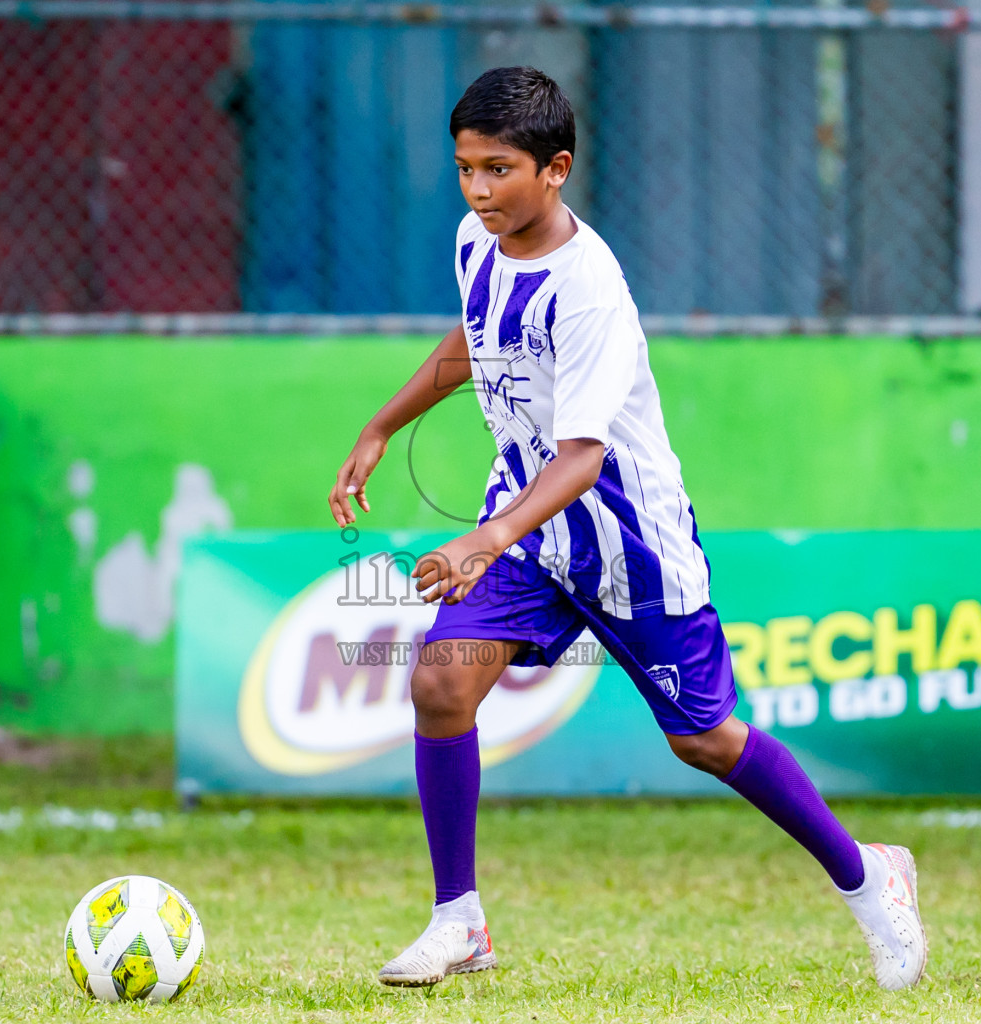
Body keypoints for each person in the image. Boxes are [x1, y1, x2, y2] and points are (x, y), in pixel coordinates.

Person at [329, 66, 927, 992]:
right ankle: (460, 923)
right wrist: (381, 424)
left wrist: (480, 541)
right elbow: (472, 340)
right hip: (529, 527)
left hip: (628, 545)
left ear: (556, 168)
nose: (479, 191)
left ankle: (868, 875)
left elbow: (584, 460)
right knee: (442, 685)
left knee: (704, 740)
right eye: (465, 170)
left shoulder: (592, 290)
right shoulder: (475, 240)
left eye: (499, 170)